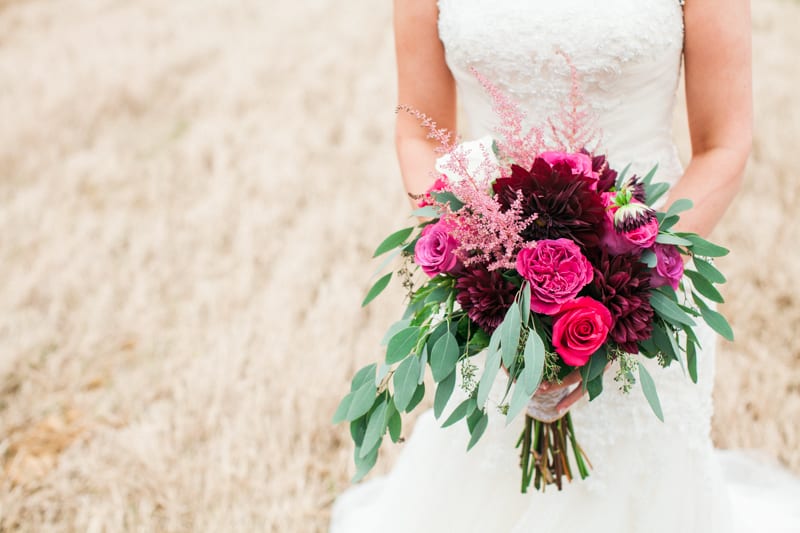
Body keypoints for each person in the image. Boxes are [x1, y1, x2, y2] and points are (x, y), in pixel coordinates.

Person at [331, 0, 800, 531]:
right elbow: (418, 131)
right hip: (494, 283)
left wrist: (625, 291)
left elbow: (723, 144)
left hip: (639, 285)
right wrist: (480, 260)